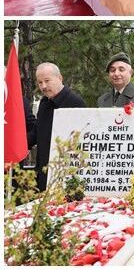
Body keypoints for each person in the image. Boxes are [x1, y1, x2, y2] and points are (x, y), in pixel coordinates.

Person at [25, 63, 86, 191]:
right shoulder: (44, 102)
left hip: (65, 174)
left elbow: (81, 143)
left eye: (47, 81)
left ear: (60, 78)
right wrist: (16, 145)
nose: (43, 86)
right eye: (40, 82)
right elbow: (37, 132)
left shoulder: (76, 103)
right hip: (42, 173)